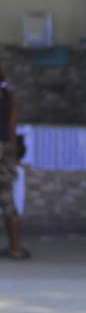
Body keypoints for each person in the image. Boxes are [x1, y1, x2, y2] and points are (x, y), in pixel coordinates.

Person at [0, 68, 29, 260]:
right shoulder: (9, 99)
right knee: (8, 203)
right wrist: (12, 155)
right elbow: (12, 130)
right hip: (5, 152)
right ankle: (15, 249)